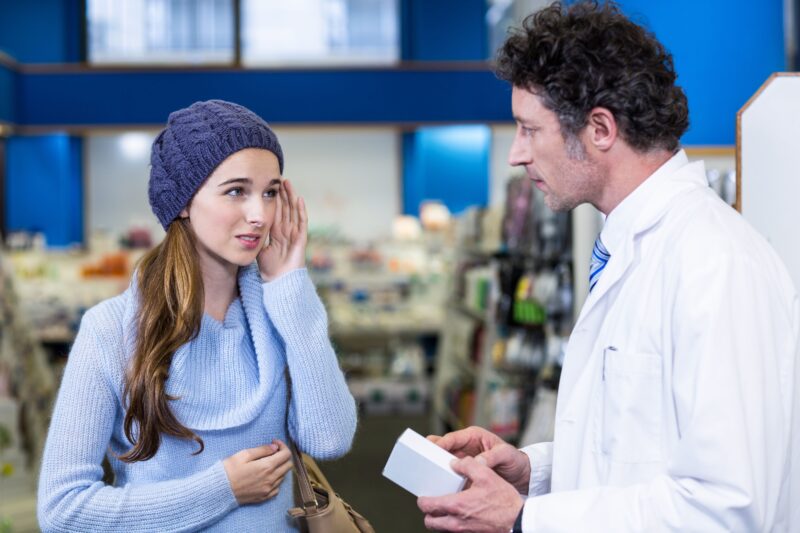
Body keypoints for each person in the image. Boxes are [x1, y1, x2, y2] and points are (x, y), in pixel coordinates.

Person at [417, 2, 800, 532]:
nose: (516, 155)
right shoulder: (632, 247)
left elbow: (727, 507)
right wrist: (534, 471)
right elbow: (638, 446)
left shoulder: (714, 263)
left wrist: (527, 519)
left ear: (599, 128)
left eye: (530, 130)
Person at [37, 100, 357, 532]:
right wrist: (224, 488)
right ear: (184, 202)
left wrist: (290, 284)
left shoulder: (282, 310)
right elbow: (63, 511)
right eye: (236, 191)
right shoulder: (111, 329)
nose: (260, 215)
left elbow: (330, 439)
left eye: (270, 191)